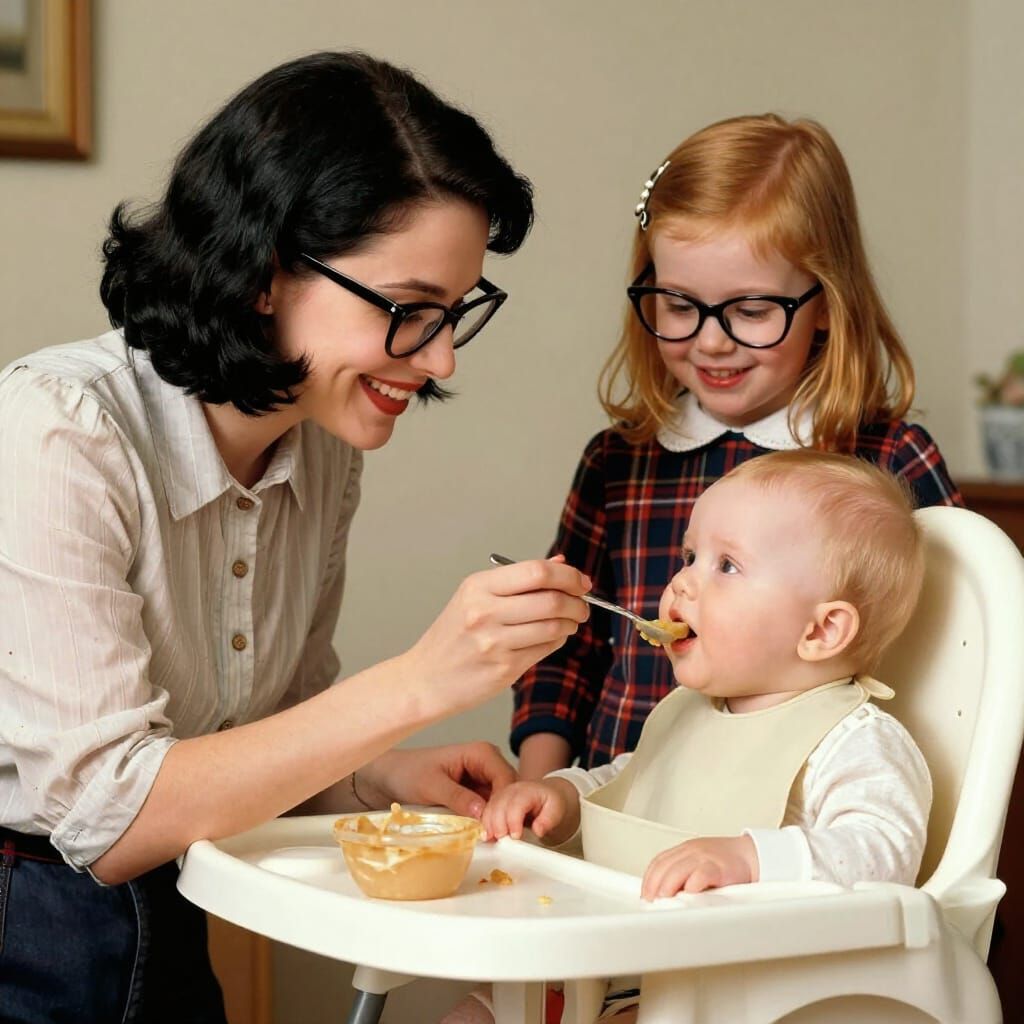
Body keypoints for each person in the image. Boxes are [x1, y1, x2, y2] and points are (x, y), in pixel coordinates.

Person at [0, 52, 591, 1023]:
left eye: (454, 314)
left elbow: (265, 737)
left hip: (175, 913)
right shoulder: (59, 431)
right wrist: (419, 682)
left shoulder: (320, 452)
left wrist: (378, 777)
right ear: (267, 274)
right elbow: (108, 819)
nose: (441, 357)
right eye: (408, 310)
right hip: (27, 927)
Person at [511, 114, 963, 784]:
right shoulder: (619, 462)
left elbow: (956, 663)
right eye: (679, 305)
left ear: (827, 303)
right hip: (613, 807)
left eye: (751, 311)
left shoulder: (888, 460)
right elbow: (565, 650)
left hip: (791, 822)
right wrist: (537, 787)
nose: (711, 341)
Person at [453, 450, 931, 1024]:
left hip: (733, 991)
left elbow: (883, 853)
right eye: (689, 556)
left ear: (822, 629)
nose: (680, 581)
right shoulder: (689, 711)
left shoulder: (852, 739)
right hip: (611, 961)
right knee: (480, 1010)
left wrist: (749, 858)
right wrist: (564, 798)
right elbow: (634, 780)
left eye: (726, 565)